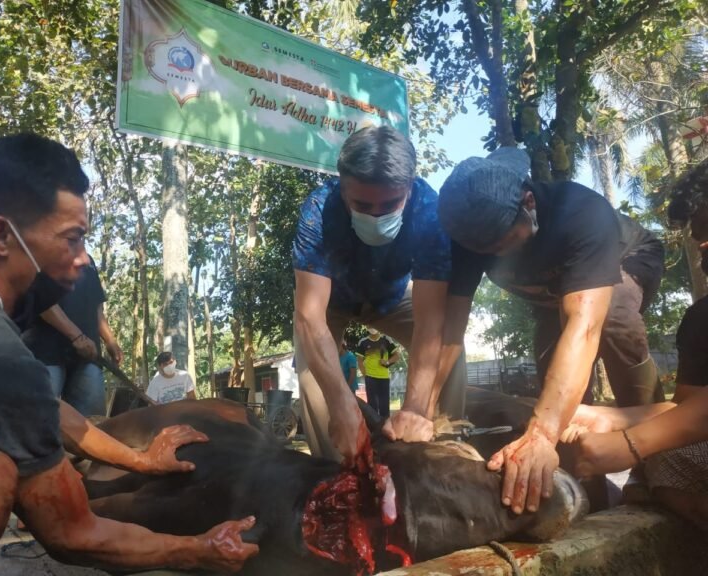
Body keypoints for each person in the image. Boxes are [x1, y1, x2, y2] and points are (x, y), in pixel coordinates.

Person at [0, 133, 257, 575]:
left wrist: (141, 460)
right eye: (72, 239)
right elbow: (73, 533)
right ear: (0, 236)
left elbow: (47, 411)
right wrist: (198, 549)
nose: (84, 259)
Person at [435, 147, 664, 515]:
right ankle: (584, 490)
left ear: (529, 202)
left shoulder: (579, 213)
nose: (494, 255)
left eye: (501, 244)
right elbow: (449, 329)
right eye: (482, 250)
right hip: (556, 294)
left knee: (614, 319)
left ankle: (655, 457)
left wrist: (543, 432)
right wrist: (424, 408)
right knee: (552, 390)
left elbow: (584, 327)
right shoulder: (469, 238)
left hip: (627, 259)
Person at [292, 125, 468, 465]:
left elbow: (431, 320)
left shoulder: (430, 210)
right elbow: (310, 317)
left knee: (452, 350)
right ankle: (334, 472)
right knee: (310, 372)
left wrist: (417, 408)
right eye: (362, 204)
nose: (376, 215)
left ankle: (444, 453)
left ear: (409, 187)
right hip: (333, 304)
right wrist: (342, 405)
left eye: (390, 204)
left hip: (393, 297)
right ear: (342, 188)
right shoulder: (318, 210)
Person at [566, 190, 708, 529]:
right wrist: (615, 419)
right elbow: (690, 410)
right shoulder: (701, 320)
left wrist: (630, 444)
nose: (702, 250)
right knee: (660, 460)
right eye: (699, 237)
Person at [23, 255, 121, 416]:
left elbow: (96, 306)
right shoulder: (39, 251)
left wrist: (110, 340)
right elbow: (39, 298)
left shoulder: (87, 261)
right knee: (40, 419)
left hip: (87, 356)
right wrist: (76, 336)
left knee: (93, 424)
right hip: (44, 353)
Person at [356, 329, 399, 417]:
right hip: (370, 377)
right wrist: (365, 375)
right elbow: (359, 361)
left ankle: (385, 427)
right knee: (372, 405)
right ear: (367, 327)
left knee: (384, 405)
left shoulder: (386, 339)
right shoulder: (363, 342)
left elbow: (397, 356)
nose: (372, 328)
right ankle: (373, 428)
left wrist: (387, 362)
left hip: (384, 377)